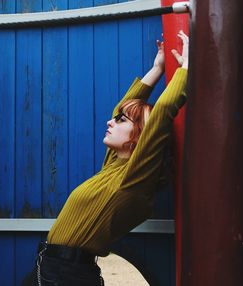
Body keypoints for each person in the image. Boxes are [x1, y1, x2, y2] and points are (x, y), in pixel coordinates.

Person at [28, 30, 189, 286]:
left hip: (65, 275)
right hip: (52, 267)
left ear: (139, 137)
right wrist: (157, 68)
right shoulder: (114, 167)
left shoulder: (132, 180)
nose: (110, 121)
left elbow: (161, 115)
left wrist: (186, 69)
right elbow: (121, 107)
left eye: (121, 121)